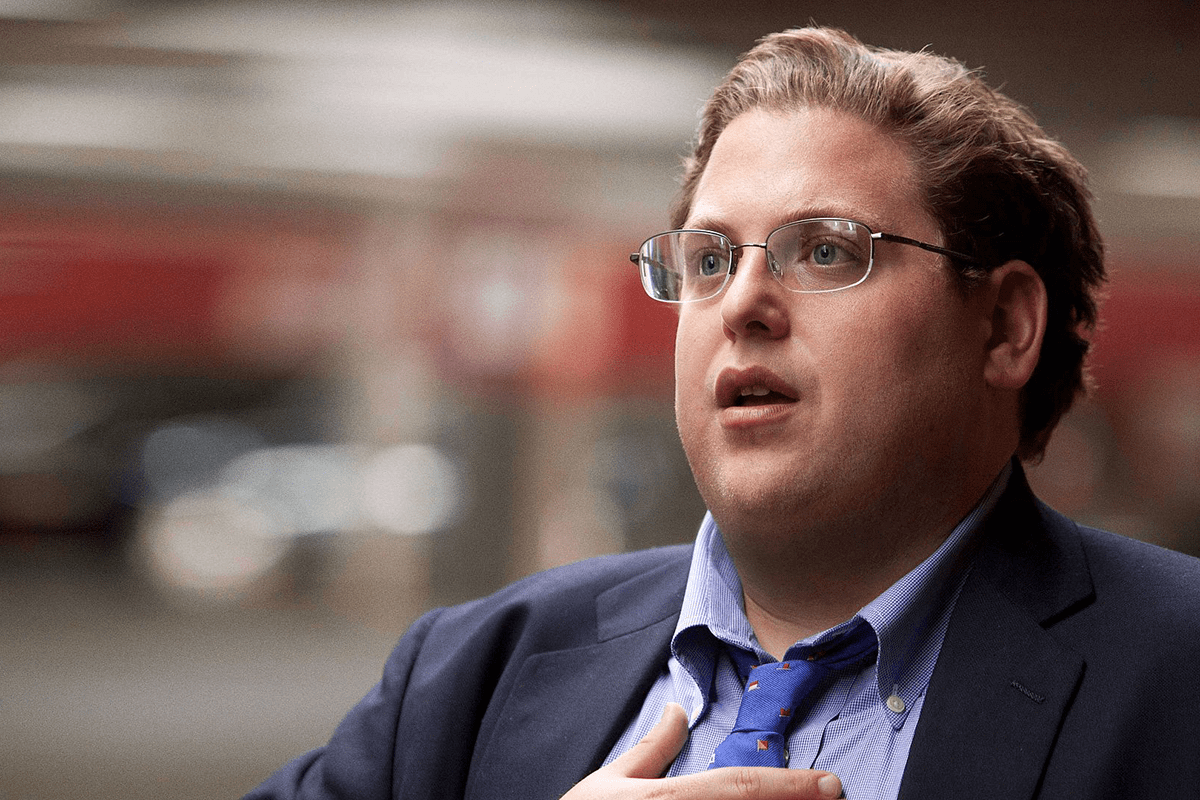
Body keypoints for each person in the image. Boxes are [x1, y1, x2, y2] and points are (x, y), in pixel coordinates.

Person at [246, 26, 1200, 800]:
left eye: (824, 251)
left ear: (1003, 327)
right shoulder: (470, 673)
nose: (742, 302)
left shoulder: (1175, 677)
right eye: (709, 259)